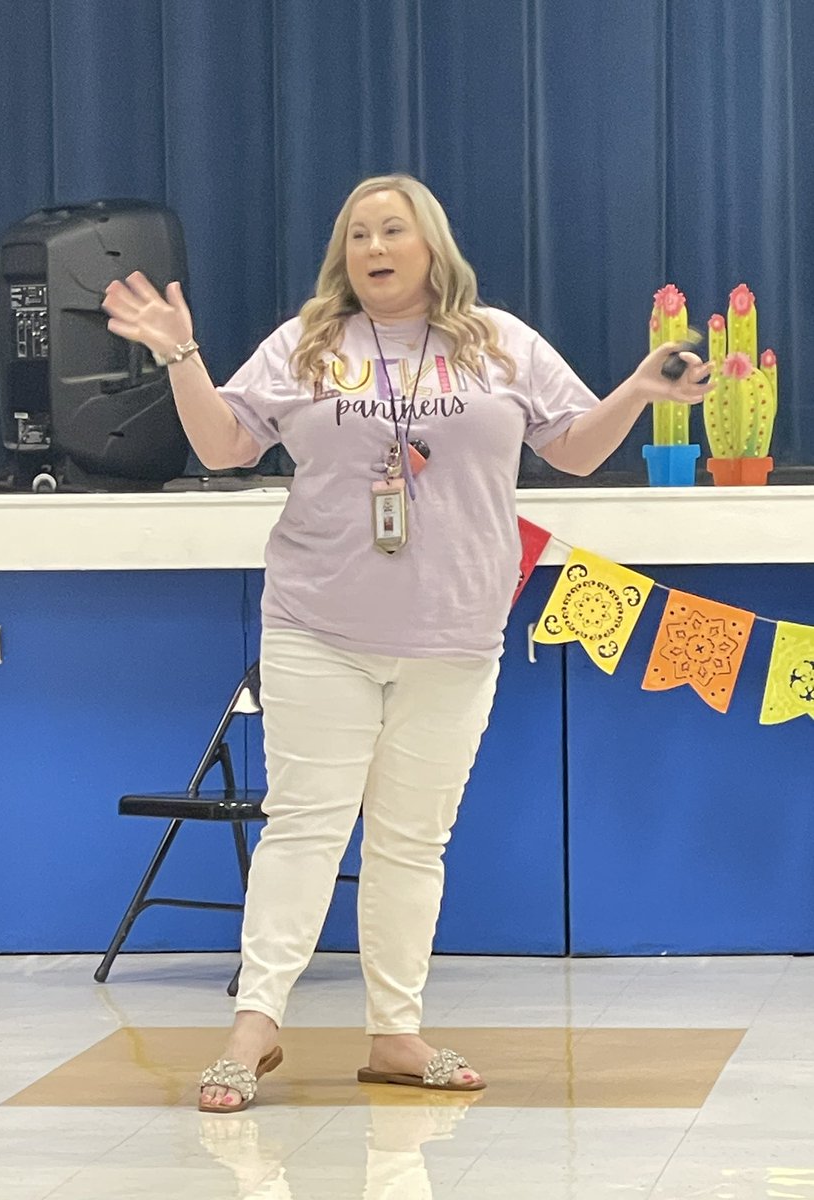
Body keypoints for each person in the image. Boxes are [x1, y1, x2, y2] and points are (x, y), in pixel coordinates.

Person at [102, 173, 712, 1114]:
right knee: (304, 828)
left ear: (432, 245)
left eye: (392, 229)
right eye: (357, 234)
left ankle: (395, 1031)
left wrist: (636, 389)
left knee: (412, 843)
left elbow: (575, 449)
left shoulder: (500, 341)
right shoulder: (308, 342)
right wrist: (181, 354)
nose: (374, 248)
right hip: (319, 627)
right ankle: (254, 1026)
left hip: (454, 634)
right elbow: (225, 446)